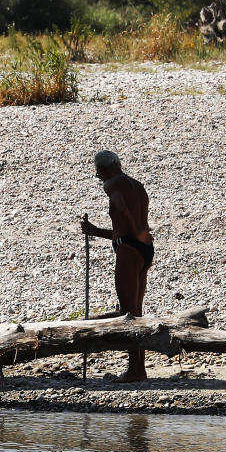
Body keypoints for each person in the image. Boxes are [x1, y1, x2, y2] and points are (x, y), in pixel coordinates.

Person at [81, 150, 154, 382]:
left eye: (98, 173)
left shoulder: (112, 183)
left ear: (103, 169)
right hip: (142, 250)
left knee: (128, 313)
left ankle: (135, 370)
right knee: (136, 311)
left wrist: (137, 232)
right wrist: (96, 231)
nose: (99, 177)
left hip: (129, 249)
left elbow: (123, 209)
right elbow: (122, 227)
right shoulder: (138, 185)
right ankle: (138, 368)